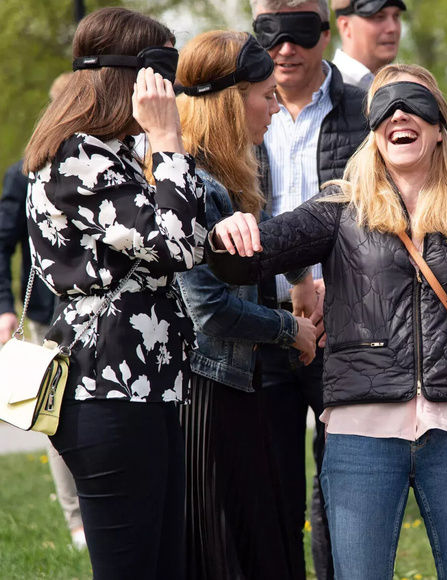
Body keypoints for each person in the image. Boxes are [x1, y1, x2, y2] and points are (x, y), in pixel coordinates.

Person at [207, 62, 447, 580]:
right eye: (386, 106)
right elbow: (249, 257)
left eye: (414, 103)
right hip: (362, 438)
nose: (400, 114)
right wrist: (231, 230)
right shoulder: (340, 208)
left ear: (440, 124)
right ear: (373, 127)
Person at [24, 7, 205, 578]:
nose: (171, 88)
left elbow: (188, 235)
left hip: (146, 386)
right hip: (108, 391)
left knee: (165, 564)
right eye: (162, 71)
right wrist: (169, 138)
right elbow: (180, 245)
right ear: (129, 76)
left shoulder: (115, 153)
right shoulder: (77, 159)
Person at [173, 30, 318, 579]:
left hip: (234, 380)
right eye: (267, 95)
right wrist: (289, 329)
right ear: (232, 104)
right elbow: (208, 310)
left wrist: (300, 274)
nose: (276, 108)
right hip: (206, 391)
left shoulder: (228, 171)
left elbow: (267, 229)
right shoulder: (194, 184)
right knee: (225, 546)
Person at [250, 1, 369, 577]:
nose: (284, 49)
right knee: (270, 487)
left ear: (326, 32)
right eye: (269, 34)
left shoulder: (365, 109)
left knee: (345, 482)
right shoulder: (238, 110)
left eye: (298, 32)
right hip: (258, 324)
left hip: (344, 324)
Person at [0, 72, 87, 552]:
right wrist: (4, 308)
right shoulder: (25, 172)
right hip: (45, 314)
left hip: (96, 314)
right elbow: (2, 242)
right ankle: (76, 520)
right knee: (51, 411)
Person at [331, 0, 405, 89]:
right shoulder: (325, 89)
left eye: (396, 16)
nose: (392, 28)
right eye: (379, 17)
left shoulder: (406, 84)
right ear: (345, 26)